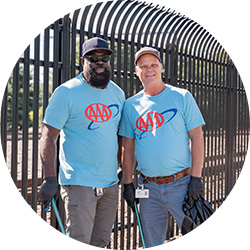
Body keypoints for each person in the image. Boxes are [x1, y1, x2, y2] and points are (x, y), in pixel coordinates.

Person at [39, 37, 125, 247]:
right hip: (79, 184)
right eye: (93, 58)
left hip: (110, 185)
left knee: (102, 242)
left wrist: (122, 165)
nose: (99, 62)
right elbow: (48, 136)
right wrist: (50, 178)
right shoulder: (66, 92)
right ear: (83, 61)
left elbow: (119, 135)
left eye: (104, 57)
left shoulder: (118, 93)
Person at [119, 47, 205, 248]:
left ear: (161, 68)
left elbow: (197, 137)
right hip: (148, 188)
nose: (149, 70)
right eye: (143, 66)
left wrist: (196, 179)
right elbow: (128, 147)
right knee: (151, 243)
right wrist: (128, 183)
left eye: (153, 65)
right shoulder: (131, 106)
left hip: (182, 185)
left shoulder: (182, 97)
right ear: (136, 71)